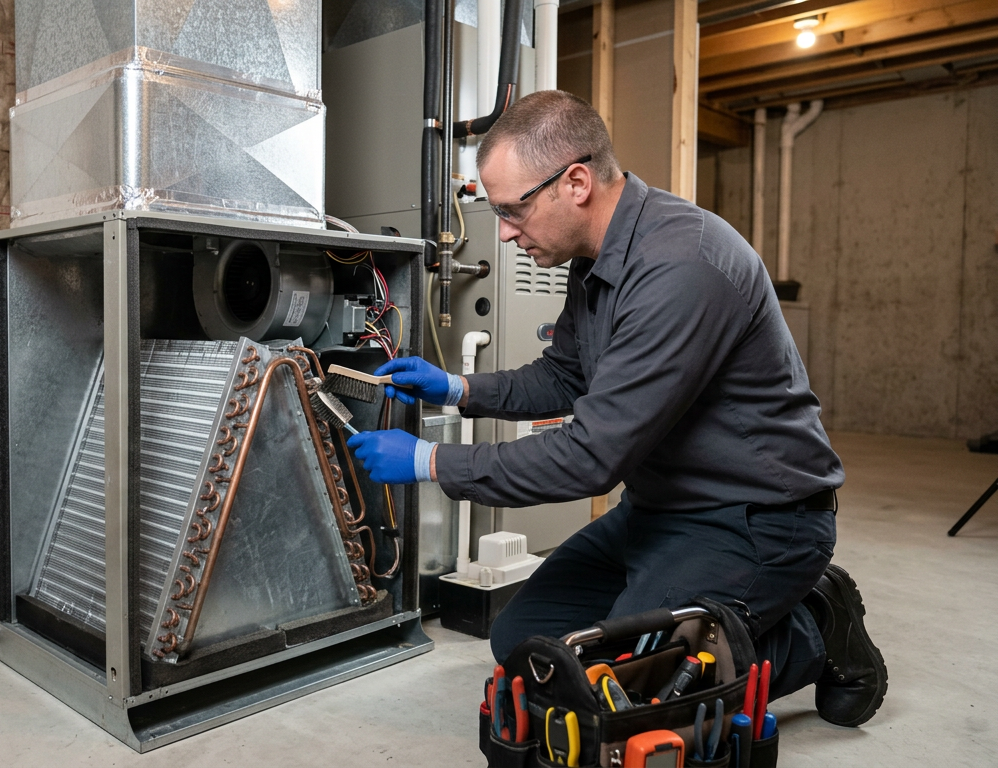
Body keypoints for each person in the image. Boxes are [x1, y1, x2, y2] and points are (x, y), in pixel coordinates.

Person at [345, 90, 886, 726]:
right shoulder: (594, 258)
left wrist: (431, 461)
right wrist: (458, 390)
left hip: (757, 520)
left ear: (575, 181)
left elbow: (592, 456)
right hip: (659, 512)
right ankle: (718, 619)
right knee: (526, 647)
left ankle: (818, 625)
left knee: (630, 694)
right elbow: (566, 374)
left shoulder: (683, 265)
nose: (507, 234)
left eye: (512, 211)